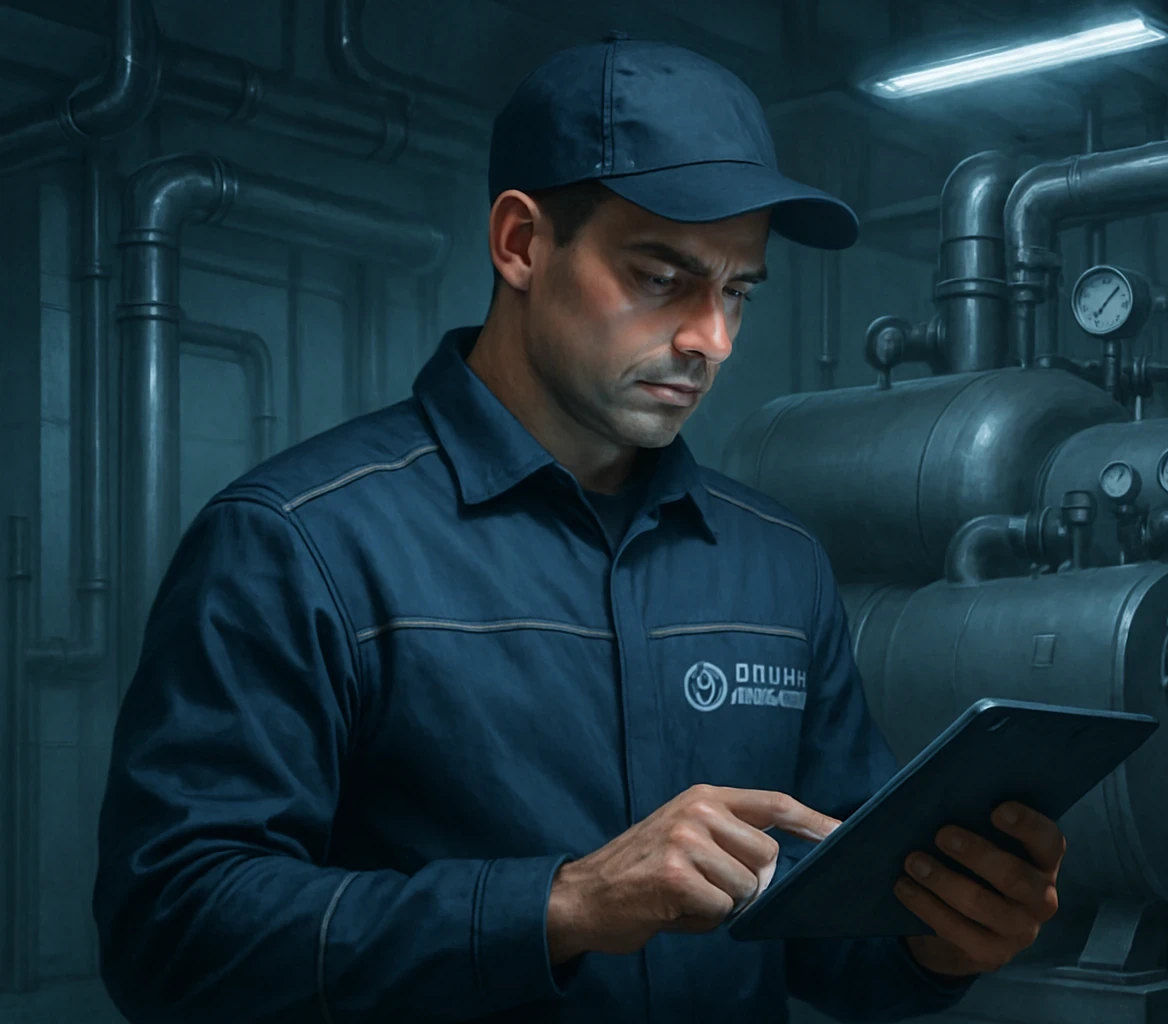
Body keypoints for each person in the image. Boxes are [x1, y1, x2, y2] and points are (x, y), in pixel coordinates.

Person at [93, 32, 1066, 1024]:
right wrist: (563, 904)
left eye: (736, 290)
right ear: (521, 243)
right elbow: (171, 933)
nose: (711, 340)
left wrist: (939, 940)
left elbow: (827, 932)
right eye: (661, 277)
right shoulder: (298, 545)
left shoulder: (777, 564)